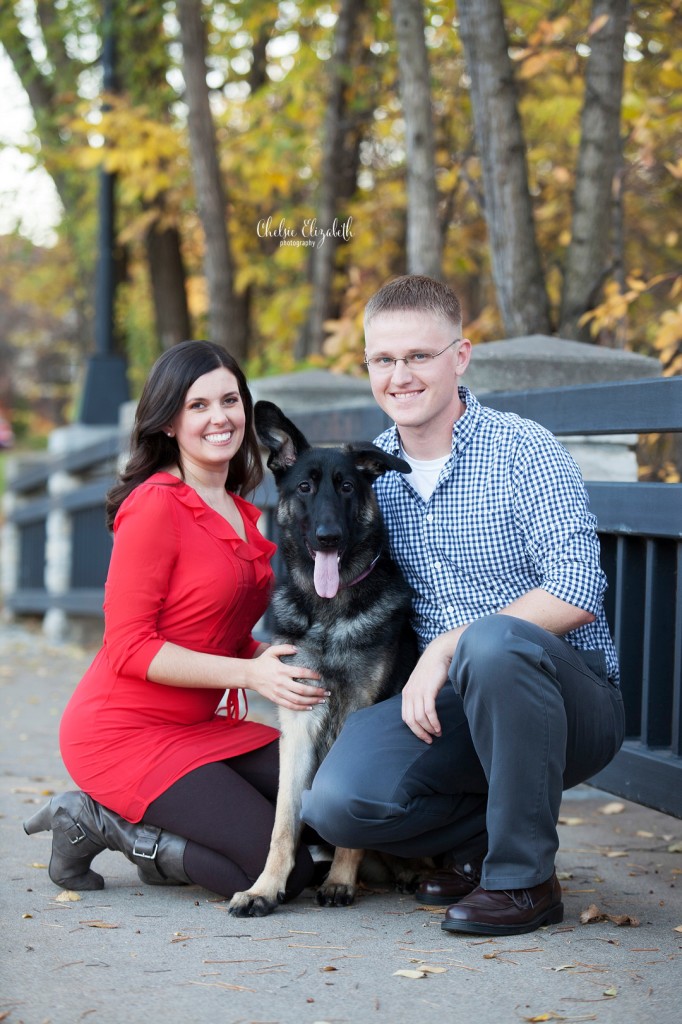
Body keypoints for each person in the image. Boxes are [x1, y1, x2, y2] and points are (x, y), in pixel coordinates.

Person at [301, 275, 625, 936]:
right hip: (450, 710)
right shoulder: (367, 476)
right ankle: (473, 846)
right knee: (337, 802)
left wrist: (451, 643)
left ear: (461, 355)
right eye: (384, 360)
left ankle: (523, 881)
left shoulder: (522, 451)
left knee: (491, 644)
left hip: (568, 700)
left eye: (419, 356)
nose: (401, 376)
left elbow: (578, 589)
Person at [24, 341, 326, 900]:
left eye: (230, 400)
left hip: (201, 727)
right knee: (284, 871)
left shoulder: (243, 513)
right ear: (167, 421)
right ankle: (102, 821)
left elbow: (221, 636)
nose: (221, 418)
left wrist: (272, 659)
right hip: (123, 735)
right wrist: (250, 676)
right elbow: (129, 648)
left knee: (325, 802)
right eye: (199, 406)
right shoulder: (157, 504)